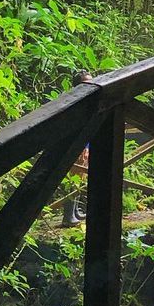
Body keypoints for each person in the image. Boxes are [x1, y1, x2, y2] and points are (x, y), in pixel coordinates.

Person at [62, 69, 93, 224]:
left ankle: (75, 211)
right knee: (73, 179)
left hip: (85, 145)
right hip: (76, 146)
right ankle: (68, 216)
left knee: (80, 179)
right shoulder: (75, 102)